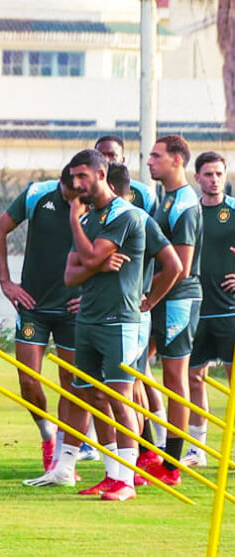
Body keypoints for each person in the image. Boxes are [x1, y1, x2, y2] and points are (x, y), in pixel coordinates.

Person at [24, 149, 145, 502]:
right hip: (88, 317)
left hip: (118, 319)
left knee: (119, 397)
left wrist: (77, 226)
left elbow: (87, 258)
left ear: (101, 174)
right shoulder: (93, 219)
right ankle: (111, 475)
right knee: (92, 394)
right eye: (73, 178)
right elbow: (71, 273)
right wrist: (96, 263)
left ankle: (128, 479)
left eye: (83, 177)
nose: (76, 185)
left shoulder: (123, 215)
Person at [0, 165, 81, 471]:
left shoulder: (98, 203)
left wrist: (95, 296)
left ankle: (65, 459)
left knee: (72, 383)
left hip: (73, 310)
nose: (75, 198)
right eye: (70, 192)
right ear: (61, 183)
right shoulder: (37, 195)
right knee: (28, 380)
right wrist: (6, 282)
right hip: (33, 306)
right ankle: (47, 434)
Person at [106, 163, 182, 483]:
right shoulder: (104, 218)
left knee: (130, 388)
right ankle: (143, 453)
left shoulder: (136, 216)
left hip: (132, 317)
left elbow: (177, 265)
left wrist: (150, 298)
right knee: (134, 385)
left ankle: (141, 461)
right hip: (118, 315)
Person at [96, 135, 168, 446]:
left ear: (123, 159)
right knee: (120, 382)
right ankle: (139, 450)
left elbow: (169, 259)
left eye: (112, 155)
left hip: (131, 307)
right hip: (106, 308)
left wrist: (149, 296)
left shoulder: (141, 201)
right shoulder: (94, 204)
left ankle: (149, 449)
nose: (108, 159)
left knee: (134, 379)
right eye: (102, 155)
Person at [143, 135, 203, 485]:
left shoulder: (184, 203)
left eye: (156, 156)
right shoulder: (164, 199)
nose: (150, 161)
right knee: (134, 367)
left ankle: (171, 467)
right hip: (162, 298)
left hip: (178, 299)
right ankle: (149, 450)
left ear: (177, 161)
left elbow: (180, 265)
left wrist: (150, 298)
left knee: (175, 379)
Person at [184, 152, 234, 467]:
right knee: (194, 377)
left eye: (219, 173)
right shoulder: (190, 213)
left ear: (225, 175)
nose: (214, 179)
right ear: (197, 178)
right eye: (208, 174)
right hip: (197, 309)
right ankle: (197, 451)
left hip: (231, 310)